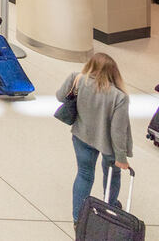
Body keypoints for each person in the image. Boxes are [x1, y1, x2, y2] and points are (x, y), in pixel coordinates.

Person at [56, 52, 133, 221]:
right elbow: (118, 130)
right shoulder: (119, 97)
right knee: (112, 174)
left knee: (84, 174)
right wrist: (121, 157)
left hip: (81, 137)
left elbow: (60, 96)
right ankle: (110, 208)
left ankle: (78, 219)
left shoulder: (77, 79)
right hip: (108, 144)